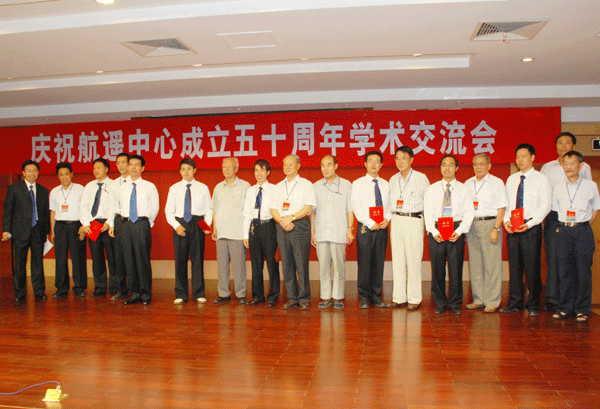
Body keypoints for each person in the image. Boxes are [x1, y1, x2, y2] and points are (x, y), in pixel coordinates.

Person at [540, 132, 592, 312]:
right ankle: (553, 299)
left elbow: (590, 196)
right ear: (556, 146)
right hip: (554, 215)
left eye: (567, 143)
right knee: (554, 257)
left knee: (576, 261)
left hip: (577, 219)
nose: (563, 146)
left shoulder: (584, 167)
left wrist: (585, 222)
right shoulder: (548, 167)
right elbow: (543, 194)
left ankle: (576, 302)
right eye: (560, 143)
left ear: (573, 145)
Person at [500, 143, 551, 317]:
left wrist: (530, 224)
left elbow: (545, 205)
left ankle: (534, 303)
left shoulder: (541, 179)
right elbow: (507, 204)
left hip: (530, 227)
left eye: (523, 156)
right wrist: (506, 221)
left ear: (532, 157)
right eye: (517, 157)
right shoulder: (512, 179)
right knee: (514, 267)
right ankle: (515, 303)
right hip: (513, 227)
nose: (520, 160)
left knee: (532, 267)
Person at [552, 151, 599, 323]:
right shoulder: (558, 187)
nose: (569, 167)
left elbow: (595, 209)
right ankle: (564, 308)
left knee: (583, 270)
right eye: (566, 163)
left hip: (582, 231)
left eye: (572, 163)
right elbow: (556, 210)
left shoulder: (590, 186)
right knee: (563, 271)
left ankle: (582, 310)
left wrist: (582, 224)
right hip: (564, 231)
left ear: (580, 165)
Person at [424, 154, 474, 315]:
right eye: (444, 164)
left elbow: (469, 212)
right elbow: (427, 212)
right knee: (437, 269)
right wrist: (434, 231)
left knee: (455, 269)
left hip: (456, 230)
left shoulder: (464, 189)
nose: (447, 168)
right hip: (437, 230)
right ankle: (439, 303)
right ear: (440, 168)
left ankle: (455, 304)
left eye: (451, 165)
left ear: (456, 168)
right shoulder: (432, 189)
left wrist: (459, 232)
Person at [109, 154, 159, 306]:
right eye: (130, 164)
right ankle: (134, 293)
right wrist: (114, 224)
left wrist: (145, 223)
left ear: (143, 168)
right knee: (129, 260)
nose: (133, 167)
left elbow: (155, 207)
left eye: (137, 165)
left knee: (142, 260)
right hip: (125, 225)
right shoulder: (122, 188)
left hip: (141, 224)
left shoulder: (149, 186)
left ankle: (145, 294)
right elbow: (116, 207)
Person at [270, 154, 316, 310]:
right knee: (287, 263)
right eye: (285, 164)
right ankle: (291, 298)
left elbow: (308, 207)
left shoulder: (306, 184)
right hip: (282, 225)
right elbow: (273, 209)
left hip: (300, 224)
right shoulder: (278, 186)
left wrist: (291, 218)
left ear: (298, 165)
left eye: (291, 164)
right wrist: (282, 221)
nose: (287, 167)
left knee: (301, 263)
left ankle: (304, 298)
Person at [165, 158, 213, 305]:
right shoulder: (174, 188)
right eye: (183, 169)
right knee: (180, 260)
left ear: (194, 170)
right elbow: (168, 211)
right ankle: (180, 294)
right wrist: (176, 226)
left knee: (197, 259)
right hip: (180, 223)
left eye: (189, 169)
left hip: (197, 223)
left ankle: (199, 293)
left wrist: (206, 226)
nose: (186, 172)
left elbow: (208, 209)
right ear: (180, 171)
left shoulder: (203, 188)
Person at [387, 146, 429, 310]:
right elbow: (388, 204)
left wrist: (428, 227)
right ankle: (399, 298)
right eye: (397, 158)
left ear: (411, 159)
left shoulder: (421, 178)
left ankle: (414, 298)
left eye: (404, 158)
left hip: (414, 219)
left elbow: (428, 204)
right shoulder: (392, 179)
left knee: (413, 261)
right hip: (396, 219)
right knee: (398, 261)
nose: (400, 161)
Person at [2, 159, 50, 302]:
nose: (32, 173)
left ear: (38, 173)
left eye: (34, 170)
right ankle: (20, 293)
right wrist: (6, 230)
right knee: (20, 264)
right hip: (19, 232)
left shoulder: (43, 191)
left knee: (37, 263)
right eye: (28, 170)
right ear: (23, 173)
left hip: (37, 232)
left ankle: (39, 291)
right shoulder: (14, 189)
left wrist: (47, 231)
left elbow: (45, 213)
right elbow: (8, 211)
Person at [465, 154, 507, 313]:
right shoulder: (468, 183)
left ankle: (492, 300)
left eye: (482, 164)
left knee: (492, 264)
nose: (478, 167)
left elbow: (501, 208)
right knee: (475, 264)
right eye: (475, 164)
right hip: (472, 225)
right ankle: (478, 299)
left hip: (490, 224)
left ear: (489, 166)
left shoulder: (497, 182)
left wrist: (496, 228)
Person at [311, 154, 354, 309]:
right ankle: (326, 297)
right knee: (324, 267)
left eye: (329, 164)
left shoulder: (346, 185)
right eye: (323, 165)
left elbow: (350, 210)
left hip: (339, 231)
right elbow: (313, 212)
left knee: (339, 266)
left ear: (336, 166)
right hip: (321, 232)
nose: (326, 168)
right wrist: (313, 233)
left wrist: (350, 229)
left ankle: (338, 297)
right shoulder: (315, 186)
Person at [351, 150, 391, 309]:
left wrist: (387, 219)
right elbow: (356, 206)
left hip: (382, 227)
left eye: (377, 161)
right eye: (370, 161)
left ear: (381, 165)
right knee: (365, 262)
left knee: (378, 262)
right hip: (365, 228)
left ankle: (377, 296)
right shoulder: (358, 183)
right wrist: (369, 222)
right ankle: (364, 297)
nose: (373, 164)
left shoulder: (386, 184)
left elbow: (389, 206)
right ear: (365, 164)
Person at [211, 157, 250, 305]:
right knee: (222, 266)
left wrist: (246, 232)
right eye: (224, 167)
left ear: (236, 169)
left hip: (237, 233)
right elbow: (215, 210)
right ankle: (223, 294)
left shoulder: (245, 186)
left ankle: (241, 294)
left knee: (239, 266)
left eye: (229, 167)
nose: (226, 169)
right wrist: (215, 228)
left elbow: (249, 210)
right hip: (221, 233)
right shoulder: (218, 187)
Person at [242, 159, 280, 307]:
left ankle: (273, 296)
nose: (259, 173)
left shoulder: (275, 189)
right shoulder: (250, 191)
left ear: (268, 172)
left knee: (272, 264)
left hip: (269, 226)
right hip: (254, 228)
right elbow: (246, 214)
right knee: (256, 264)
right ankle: (258, 296)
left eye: (262, 170)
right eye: (256, 170)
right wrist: (245, 234)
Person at [49, 162, 87, 298]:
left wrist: (83, 225)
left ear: (71, 174)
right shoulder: (54, 192)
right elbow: (53, 212)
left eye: (66, 174)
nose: (64, 177)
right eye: (61, 175)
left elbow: (86, 208)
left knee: (78, 257)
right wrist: (53, 231)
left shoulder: (80, 189)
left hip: (76, 225)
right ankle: (61, 288)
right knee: (60, 258)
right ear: (58, 176)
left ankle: (79, 287)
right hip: (60, 226)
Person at [80, 158, 115, 298]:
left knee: (113, 257)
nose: (96, 170)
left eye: (99, 167)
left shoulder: (113, 185)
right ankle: (100, 288)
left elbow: (115, 206)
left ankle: (115, 287)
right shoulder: (89, 186)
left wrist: (110, 222)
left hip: (108, 224)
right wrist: (86, 224)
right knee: (96, 257)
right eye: (94, 168)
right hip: (93, 224)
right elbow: (83, 206)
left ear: (106, 169)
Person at [108, 152, 131, 301]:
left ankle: (135, 289)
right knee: (119, 257)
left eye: (124, 162)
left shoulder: (135, 182)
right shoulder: (114, 183)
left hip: (132, 221)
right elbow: (111, 205)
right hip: (118, 220)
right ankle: (121, 290)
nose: (121, 165)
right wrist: (111, 224)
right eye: (118, 163)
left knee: (132, 256)